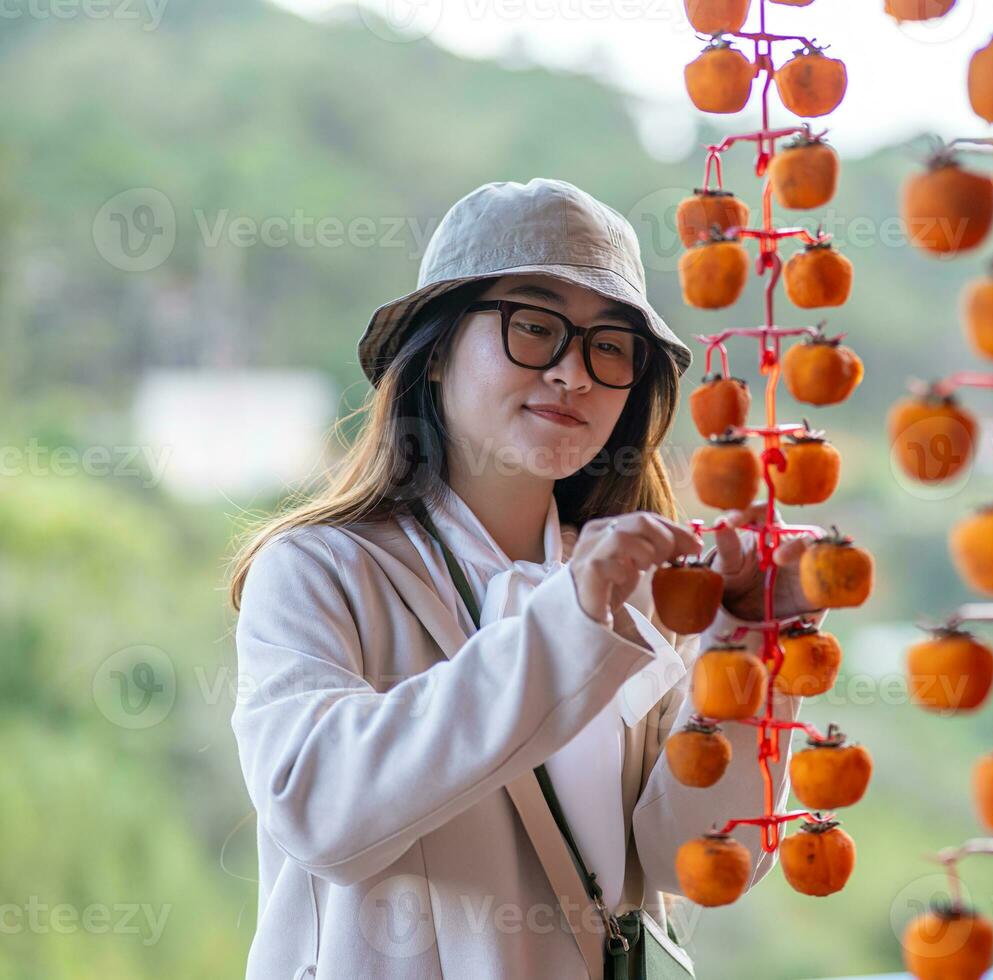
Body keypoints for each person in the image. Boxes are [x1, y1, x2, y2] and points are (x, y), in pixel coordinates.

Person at [226, 178, 828, 979]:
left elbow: (694, 862)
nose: (574, 373)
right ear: (436, 351)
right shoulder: (319, 571)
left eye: (611, 344)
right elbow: (320, 810)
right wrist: (569, 625)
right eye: (535, 326)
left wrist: (746, 643)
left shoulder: (635, 595)